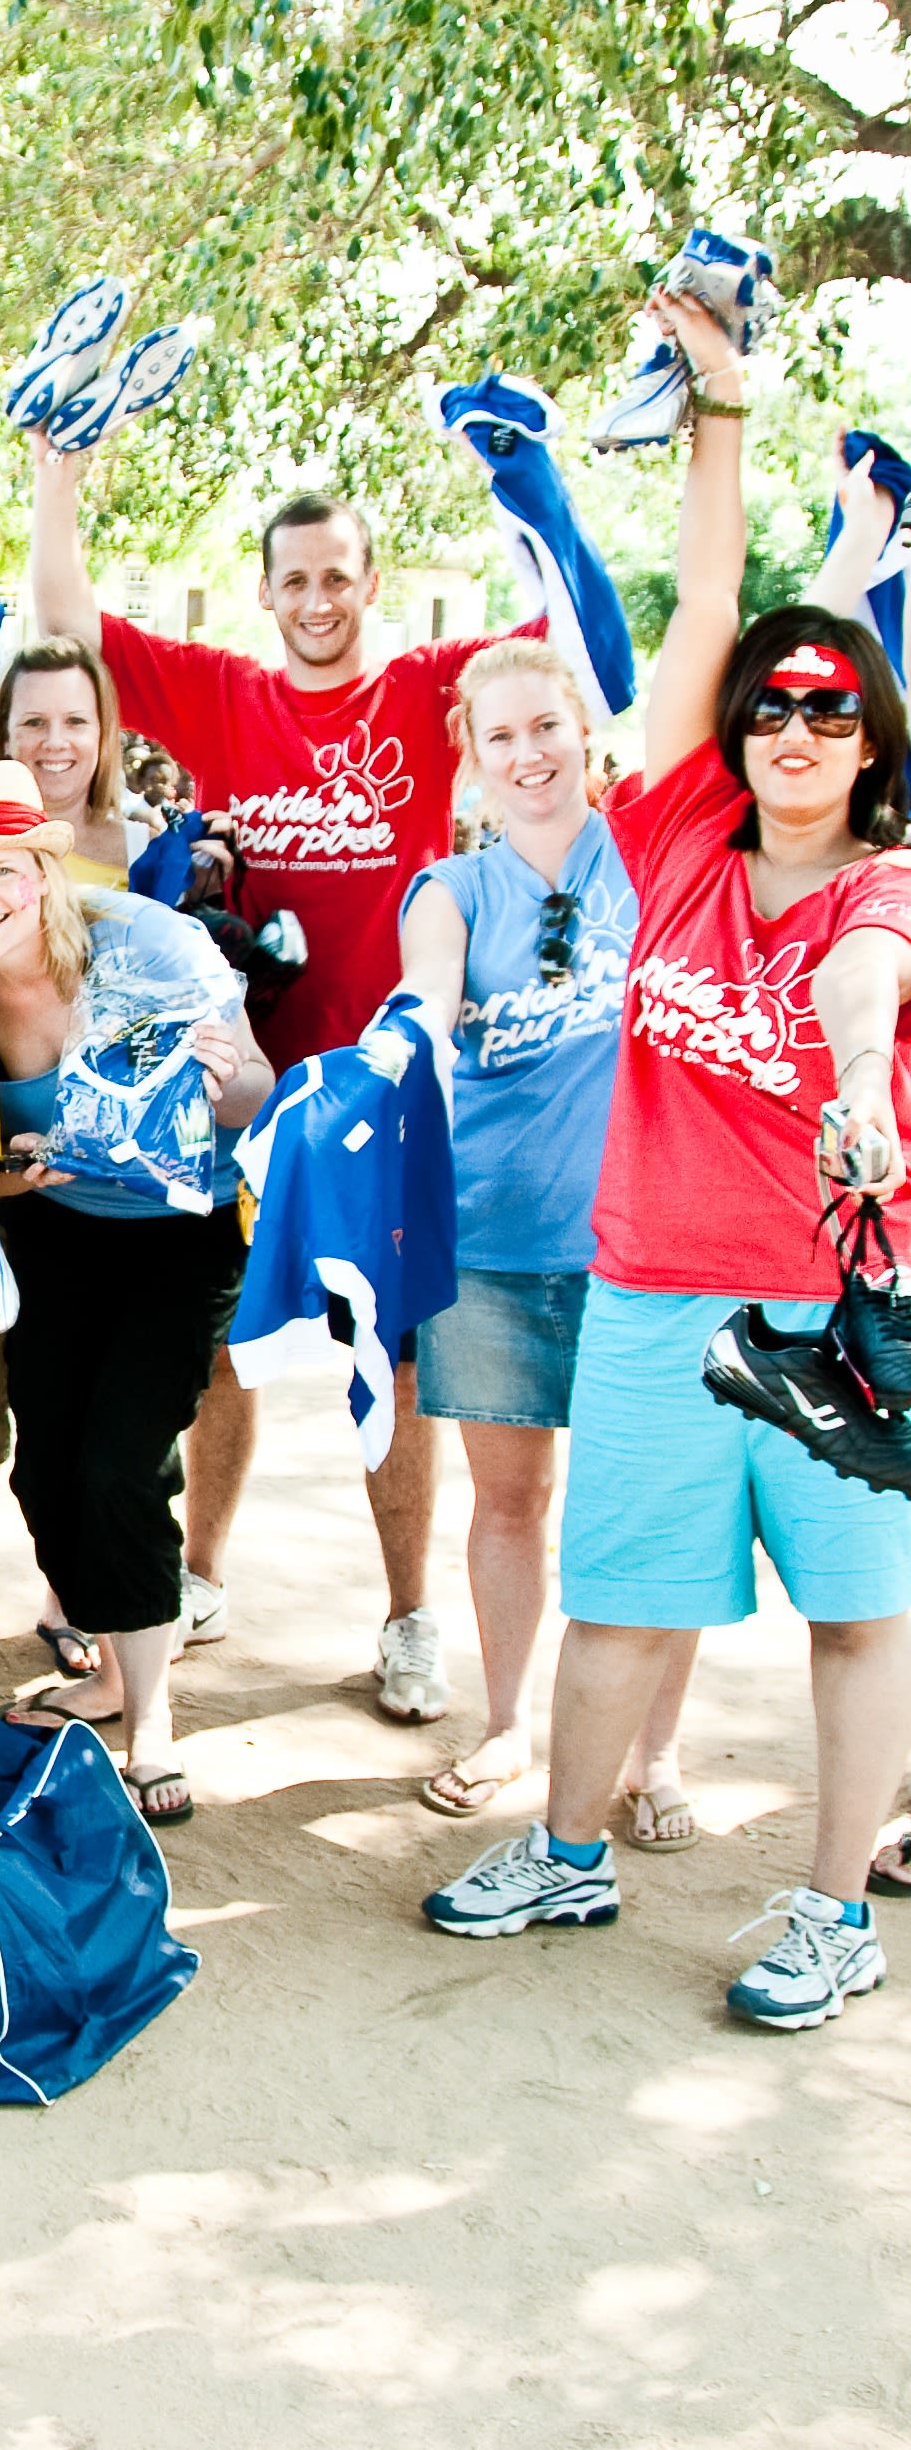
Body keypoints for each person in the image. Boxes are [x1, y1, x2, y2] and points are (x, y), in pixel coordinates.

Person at [423, 290, 911, 2031]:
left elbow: (865, 992)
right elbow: (704, 605)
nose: (790, 726)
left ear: (870, 747)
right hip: (649, 1286)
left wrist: (858, 1085)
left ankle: (830, 1908)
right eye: (773, 706)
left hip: (831, 1312)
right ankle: (565, 1847)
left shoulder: (882, 891)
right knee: (618, 1591)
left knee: (854, 1623)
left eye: (831, 711)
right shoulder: (682, 833)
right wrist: (719, 409)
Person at [27, 435, 546, 1713]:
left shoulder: (431, 688)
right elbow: (65, 616)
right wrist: (56, 469)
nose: (317, 602)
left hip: (390, 1095)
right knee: (218, 1355)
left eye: (337, 578)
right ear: (265, 593)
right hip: (231, 1092)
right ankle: (198, 1574)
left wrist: (527, 487)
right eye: (294, 582)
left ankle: (409, 1615)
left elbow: (567, 641)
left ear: (372, 584)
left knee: (399, 1364)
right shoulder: (225, 699)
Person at [0, 764, 274, 1826]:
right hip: (46, 1226)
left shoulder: (147, 942)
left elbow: (253, 1088)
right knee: (50, 1471)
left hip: (180, 1229)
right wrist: (11, 1168)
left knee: (119, 1465)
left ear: (45, 869)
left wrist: (220, 1074)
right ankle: (108, 1670)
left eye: (3, 870)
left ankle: (149, 1711)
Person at [387, 640, 699, 1832]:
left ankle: (650, 1753)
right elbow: (429, 985)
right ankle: (509, 1724)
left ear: (587, 735)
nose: (526, 754)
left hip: (646, 1249)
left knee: (654, 1509)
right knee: (510, 1502)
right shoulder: (452, 890)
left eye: (545, 728)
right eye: (499, 736)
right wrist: (409, 1029)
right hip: (497, 1241)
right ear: (472, 758)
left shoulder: (660, 856)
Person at [0, 637, 171, 1657]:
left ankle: (70, 1594)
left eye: (1, 872)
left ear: (42, 873)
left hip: (108, 1224)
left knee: (83, 1424)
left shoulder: (116, 944)